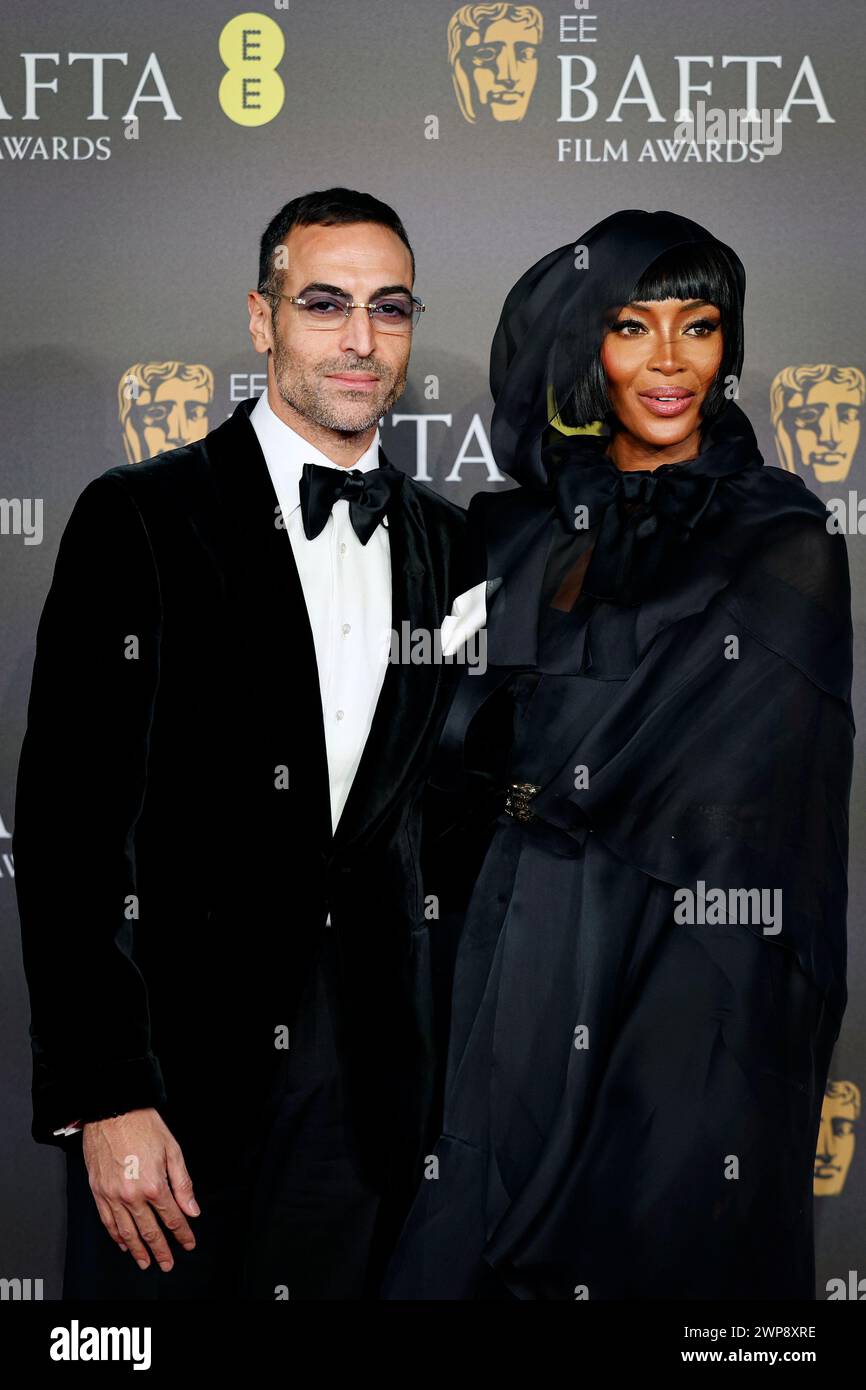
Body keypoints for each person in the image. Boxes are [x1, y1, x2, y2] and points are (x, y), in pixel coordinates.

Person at [382, 208, 855, 1301]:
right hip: (510, 949)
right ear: (586, 345)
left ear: (727, 347)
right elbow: (436, 750)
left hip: (685, 967)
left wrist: (527, 775)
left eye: (698, 328)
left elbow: (754, 789)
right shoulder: (507, 533)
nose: (668, 362)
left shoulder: (780, 540)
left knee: (662, 1241)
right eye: (632, 327)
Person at [13, 187, 471, 1300]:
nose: (360, 340)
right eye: (324, 304)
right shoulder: (142, 519)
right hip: (174, 1106)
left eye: (389, 308)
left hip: (373, 1108)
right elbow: (71, 830)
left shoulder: (456, 551)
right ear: (262, 320)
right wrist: (108, 1095)